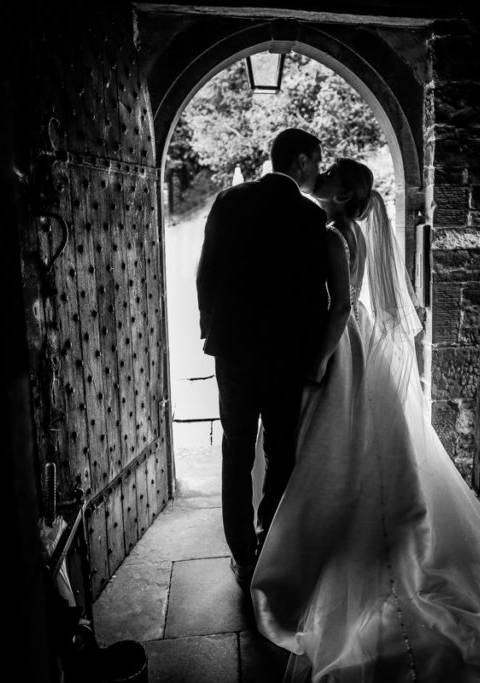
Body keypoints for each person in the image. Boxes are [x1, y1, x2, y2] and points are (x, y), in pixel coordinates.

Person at [249, 158, 480, 682]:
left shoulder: (331, 234)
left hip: (342, 344)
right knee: (367, 447)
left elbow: (341, 306)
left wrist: (318, 362)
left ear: (342, 194)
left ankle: (345, 543)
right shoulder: (353, 231)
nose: (316, 181)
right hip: (360, 341)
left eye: (327, 179)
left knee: (340, 447)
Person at [196, 128, 327, 589]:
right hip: (284, 354)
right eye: (315, 160)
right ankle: (269, 535)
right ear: (301, 161)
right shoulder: (309, 217)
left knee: (236, 450)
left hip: (232, 348)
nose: (318, 168)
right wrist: (312, 351)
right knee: (279, 450)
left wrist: (208, 328)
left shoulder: (229, 202)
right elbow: (315, 295)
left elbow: (206, 271)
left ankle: (242, 555)